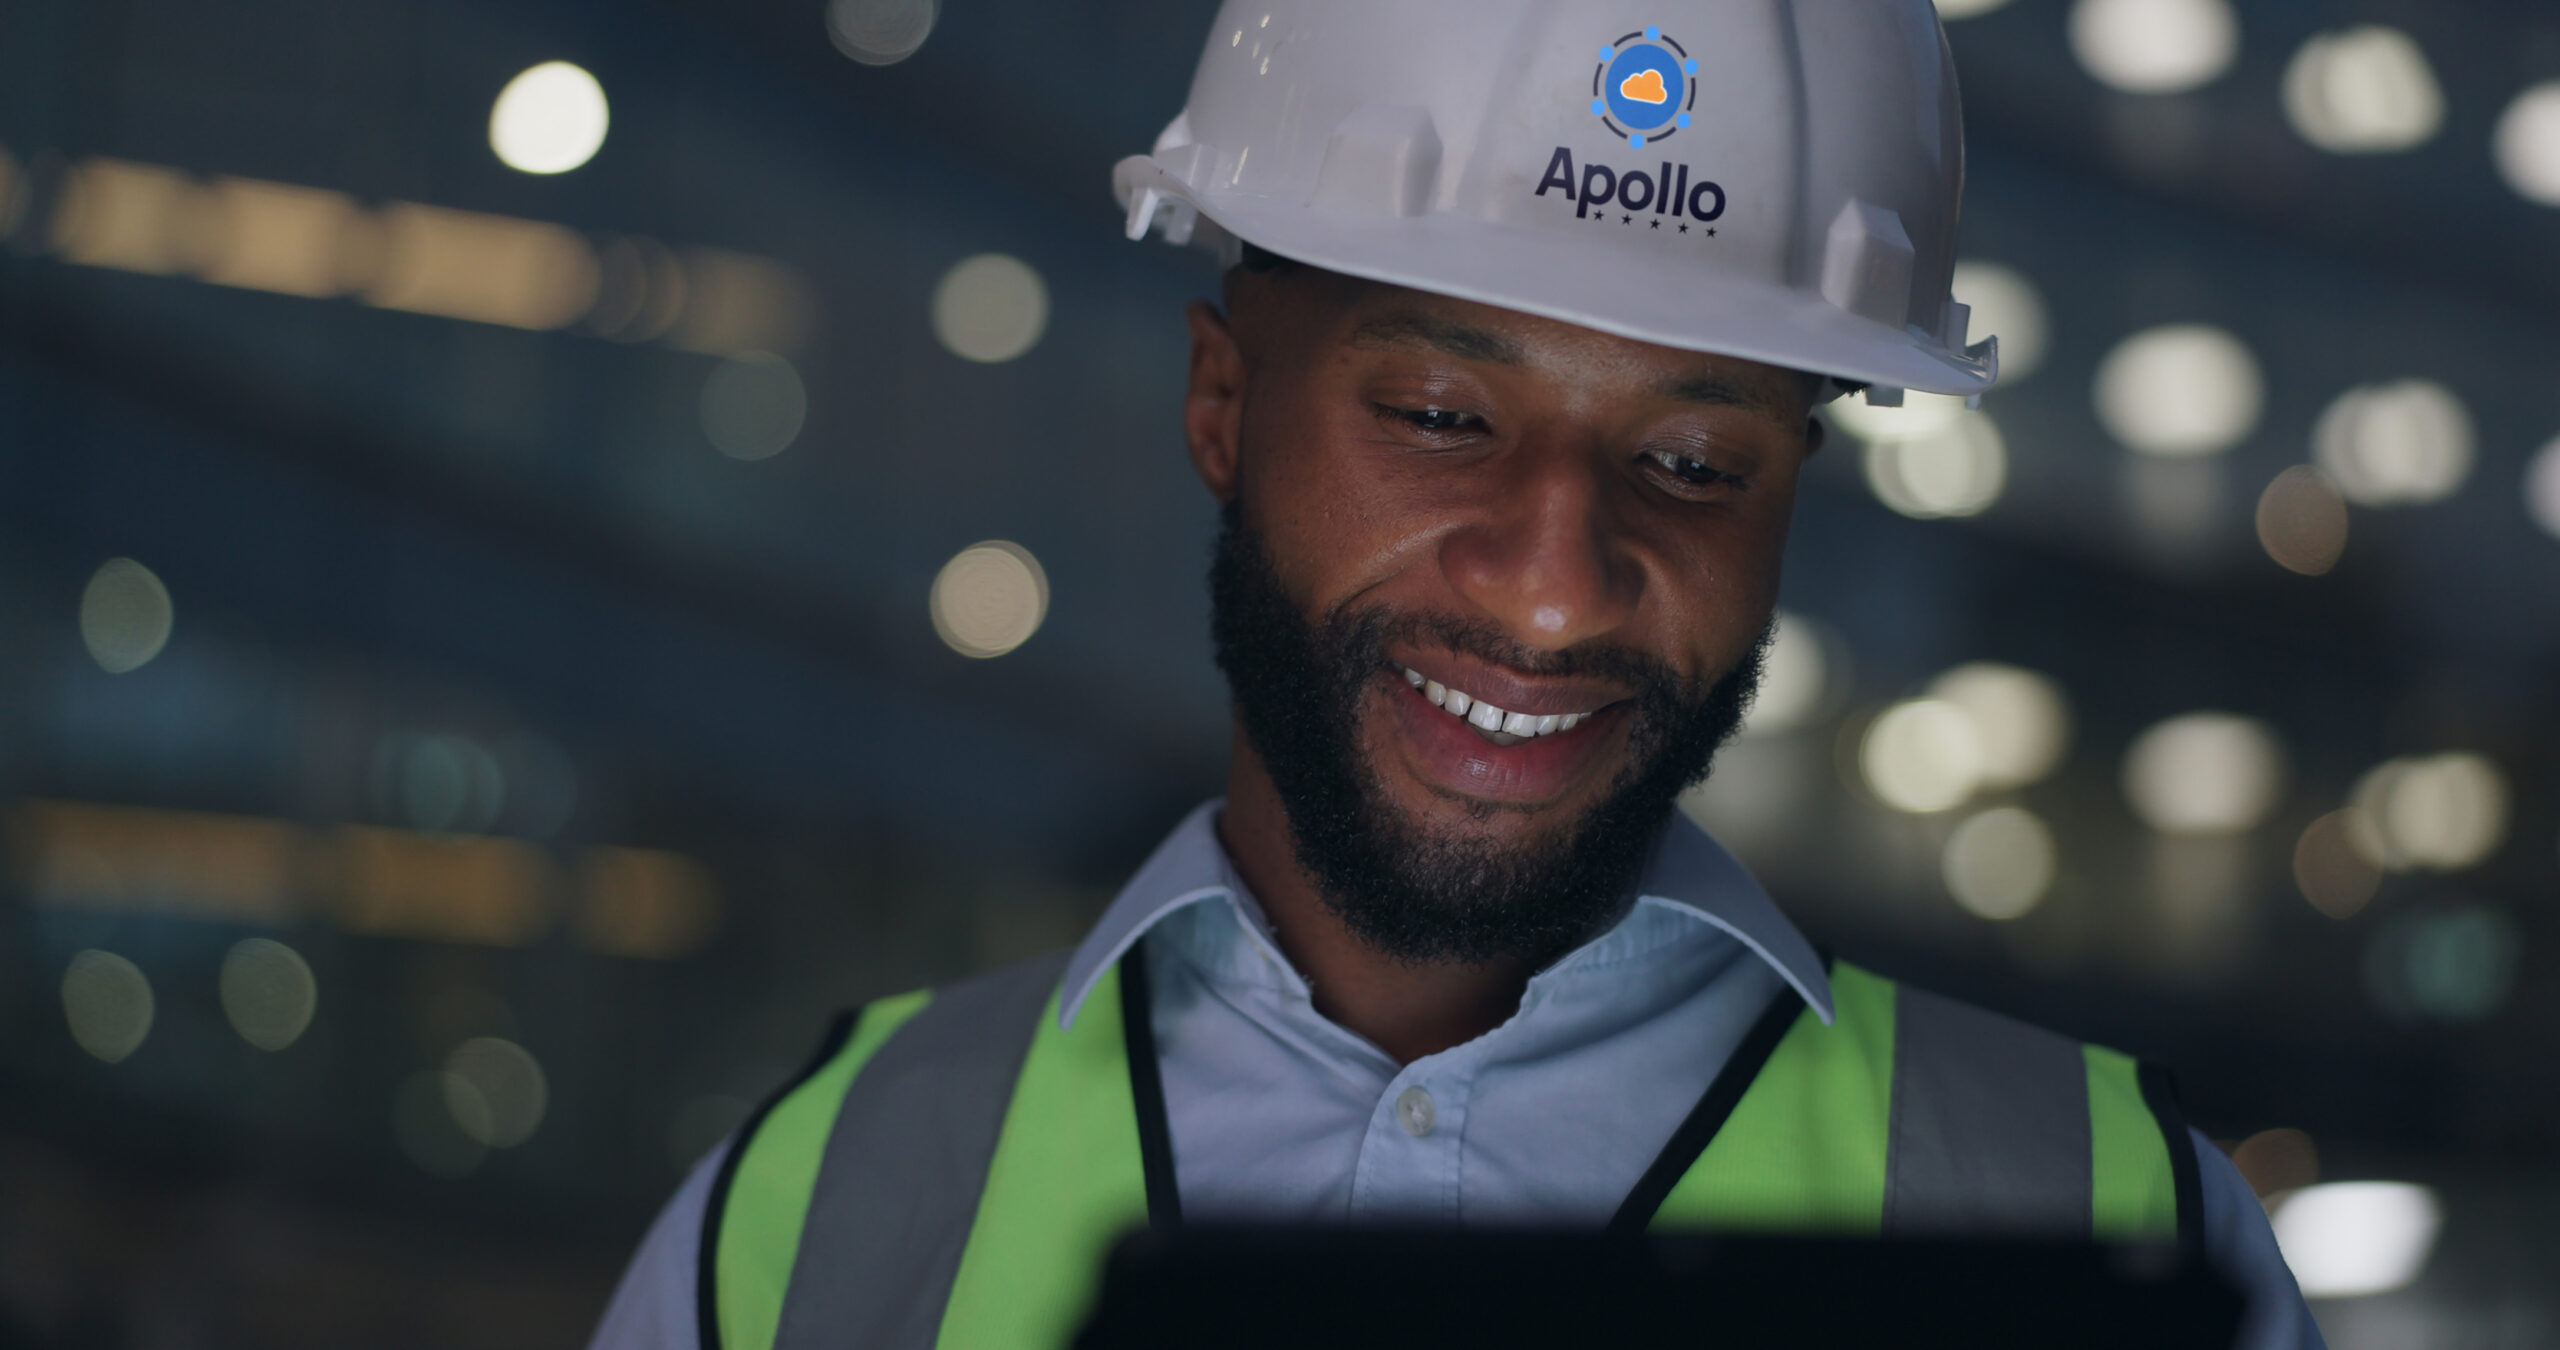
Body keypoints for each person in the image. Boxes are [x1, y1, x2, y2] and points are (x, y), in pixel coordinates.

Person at [591, 2, 2327, 1347]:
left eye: (1700, 461)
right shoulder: (817, 1212)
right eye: (1439, 417)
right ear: (1222, 407)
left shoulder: (2121, 1211)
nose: (1558, 587)